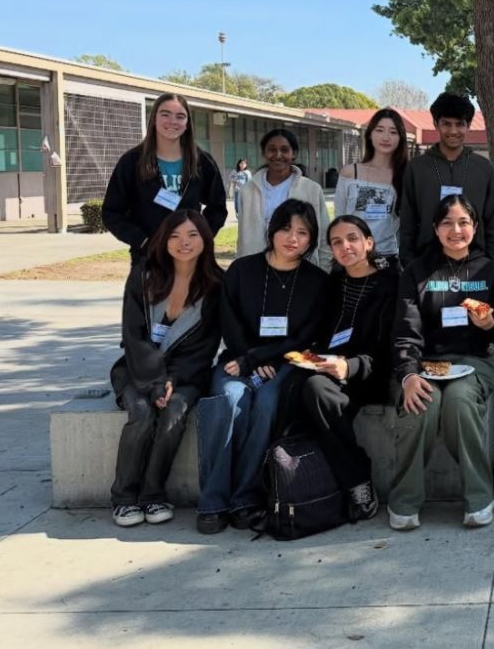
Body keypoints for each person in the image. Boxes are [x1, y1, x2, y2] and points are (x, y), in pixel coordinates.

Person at [196, 199, 329, 534]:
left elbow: (307, 335)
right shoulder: (243, 270)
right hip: (238, 360)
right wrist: (248, 360)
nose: (292, 238)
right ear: (272, 230)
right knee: (228, 402)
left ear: (312, 239)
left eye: (302, 232)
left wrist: (261, 360)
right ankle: (213, 500)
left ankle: (245, 497)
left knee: (268, 402)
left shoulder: (317, 281)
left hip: (286, 363)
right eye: (285, 228)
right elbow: (230, 323)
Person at [389, 195, 494, 530]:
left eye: (463, 222)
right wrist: (408, 376)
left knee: (459, 401)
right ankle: (404, 500)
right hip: (422, 364)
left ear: (474, 227)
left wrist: (491, 325)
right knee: (422, 405)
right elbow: (405, 331)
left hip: (473, 362)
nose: (455, 230)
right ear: (435, 228)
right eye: (447, 222)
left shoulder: (490, 271)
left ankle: (478, 497)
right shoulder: (417, 271)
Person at [110, 209, 223, 527]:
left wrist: (173, 379)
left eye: (192, 235)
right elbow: (133, 335)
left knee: (174, 410)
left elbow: (206, 347)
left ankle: (153, 494)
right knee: (143, 412)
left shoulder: (216, 285)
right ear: (163, 240)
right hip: (137, 370)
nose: (183, 242)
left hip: (186, 374)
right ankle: (123, 497)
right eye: (174, 235)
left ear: (205, 239)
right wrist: (155, 381)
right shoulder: (143, 275)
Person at [282, 216, 399, 522]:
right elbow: (318, 332)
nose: (345, 247)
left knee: (314, 390)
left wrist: (348, 365)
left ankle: (357, 477)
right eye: (337, 242)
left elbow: (391, 348)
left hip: (369, 373)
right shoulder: (332, 285)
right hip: (328, 369)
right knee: (294, 384)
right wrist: (314, 357)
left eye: (352, 239)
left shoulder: (391, 284)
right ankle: (287, 481)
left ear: (369, 243)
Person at [103, 93, 227, 264]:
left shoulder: (202, 161)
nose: (173, 121)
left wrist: (200, 237)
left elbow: (217, 208)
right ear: (154, 118)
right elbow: (111, 212)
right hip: (148, 260)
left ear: (187, 124)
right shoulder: (132, 161)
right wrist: (142, 240)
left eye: (180, 116)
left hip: (191, 259)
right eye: (165, 114)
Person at [399, 93, 494, 267]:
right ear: (436, 124)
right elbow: (408, 220)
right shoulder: (417, 168)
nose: (453, 131)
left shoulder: (484, 168)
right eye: (446, 124)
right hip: (426, 263)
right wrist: (409, 262)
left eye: (460, 124)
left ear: (468, 126)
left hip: (475, 264)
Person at [236, 128, 332, 270]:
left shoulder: (312, 189)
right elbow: (243, 237)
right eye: (272, 149)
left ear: (294, 154)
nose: (278, 155)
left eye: (284, 150)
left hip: (301, 271)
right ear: (264, 153)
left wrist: (323, 271)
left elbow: (324, 236)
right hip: (256, 270)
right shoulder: (248, 190)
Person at [334, 109, 408, 269]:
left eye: (393, 132)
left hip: (387, 261)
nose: (386, 137)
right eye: (379, 130)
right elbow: (339, 217)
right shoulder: (350, 172)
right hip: (350, 258)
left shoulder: (405, 176)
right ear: (370, 134)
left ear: (400, 138)